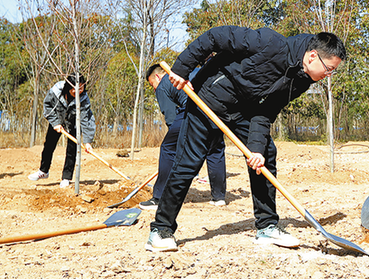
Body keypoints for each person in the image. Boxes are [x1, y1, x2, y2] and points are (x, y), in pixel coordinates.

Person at [145, 26, 346, 252]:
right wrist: (181, 69)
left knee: (266, 153)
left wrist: (257, 149)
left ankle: (267, 226)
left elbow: (267, 111)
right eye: (328, 69)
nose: (328, 76)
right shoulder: (269, 42)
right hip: (209, 98)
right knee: (188, 163)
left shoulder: (302, 79)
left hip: (242, 109)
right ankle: (160, 230)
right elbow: (214, 37)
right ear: (312, 56)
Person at [140, 64, 227, 210]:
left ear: (157, 76)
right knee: (214, 149)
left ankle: (159, 198)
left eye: (152, 84)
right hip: (216, 108)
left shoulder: (163, 84)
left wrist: (178, 142)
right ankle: (219, 197)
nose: (154, 88)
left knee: (168, 148)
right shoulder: (189, 71)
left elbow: (171, 118)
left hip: (193, 108)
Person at [28, 74, 96, 189]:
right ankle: (43, 171)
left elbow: (86, 119)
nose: (78, 91)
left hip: (73, 124)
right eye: (76, 88)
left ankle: (66, 178)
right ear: (68, 86)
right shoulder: (56, 91)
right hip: (57, 121)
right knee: (48, 146)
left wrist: (88, 141)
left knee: (72, 150)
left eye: (81, 88)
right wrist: (55, 123)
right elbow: (47, 106)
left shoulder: (84, 99)